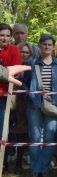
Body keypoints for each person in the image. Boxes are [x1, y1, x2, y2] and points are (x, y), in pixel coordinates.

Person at [22, 34, 57, 177]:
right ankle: (35, 170)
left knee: (48, 138)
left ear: (53, 47)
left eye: (49, 44)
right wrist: (29, 95)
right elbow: (24, 82)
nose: (47, 47)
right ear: (40, 46)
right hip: (34, 105)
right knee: (35, 137)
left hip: (53, 105)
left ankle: (45, 169)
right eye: (44, 44)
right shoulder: (32, 63)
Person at [8, 43, 35, 175]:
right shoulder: (13, 66)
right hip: (10, 102)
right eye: (21, 52)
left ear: (30, 54)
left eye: (26, 52)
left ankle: (19, 164)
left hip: (25, 104)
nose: (24, 54)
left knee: (22, 135)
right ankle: (5, 163)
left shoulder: (32, 67)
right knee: (7, 132)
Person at [0, 23, 23, 161]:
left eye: (7, 36)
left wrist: (6, 73)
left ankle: (1, 162)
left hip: (3, 96)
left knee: (3, 132)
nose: (4, 38)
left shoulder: (14, 50)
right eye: (2, 35)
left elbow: (15, 72)